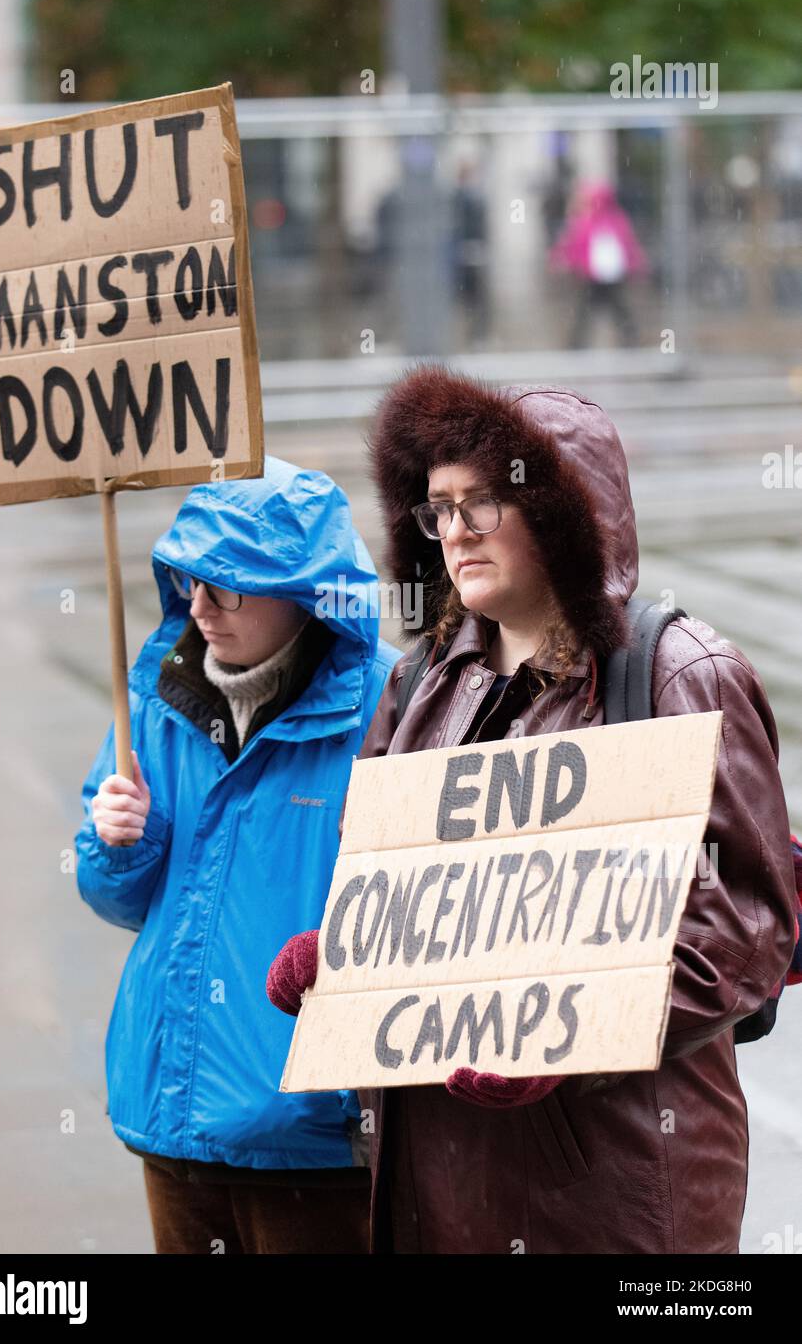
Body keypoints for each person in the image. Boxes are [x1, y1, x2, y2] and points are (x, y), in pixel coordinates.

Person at [267, 366, 798, 1254]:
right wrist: (343, 962)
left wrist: (571, 1036)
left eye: (483, 504)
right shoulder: (418, 683)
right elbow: (397, 891)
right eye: (438, 508)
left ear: (561, 510)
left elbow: (746, 932)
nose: (454, 533)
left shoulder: (681, 676)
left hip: (609, 1193)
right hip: (436, 1181)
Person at [75, 456, 400, 1254]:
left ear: (305, 594)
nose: (201, 604)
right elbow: (114, 897)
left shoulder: (390, 705)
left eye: (228, 584)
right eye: (189, 579)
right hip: (168, 1113)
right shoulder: (153, 698)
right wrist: (120, 843)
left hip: (311, 1131)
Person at [549, 180, 647, 347]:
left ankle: (578, 344)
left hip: (598, 276)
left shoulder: (590, 222)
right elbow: (628, 245)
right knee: (611, 308)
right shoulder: (613, 221)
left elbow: (572, 245)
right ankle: (627, 338)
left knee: (595, 310)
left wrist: (561, 260)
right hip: (601, 275)